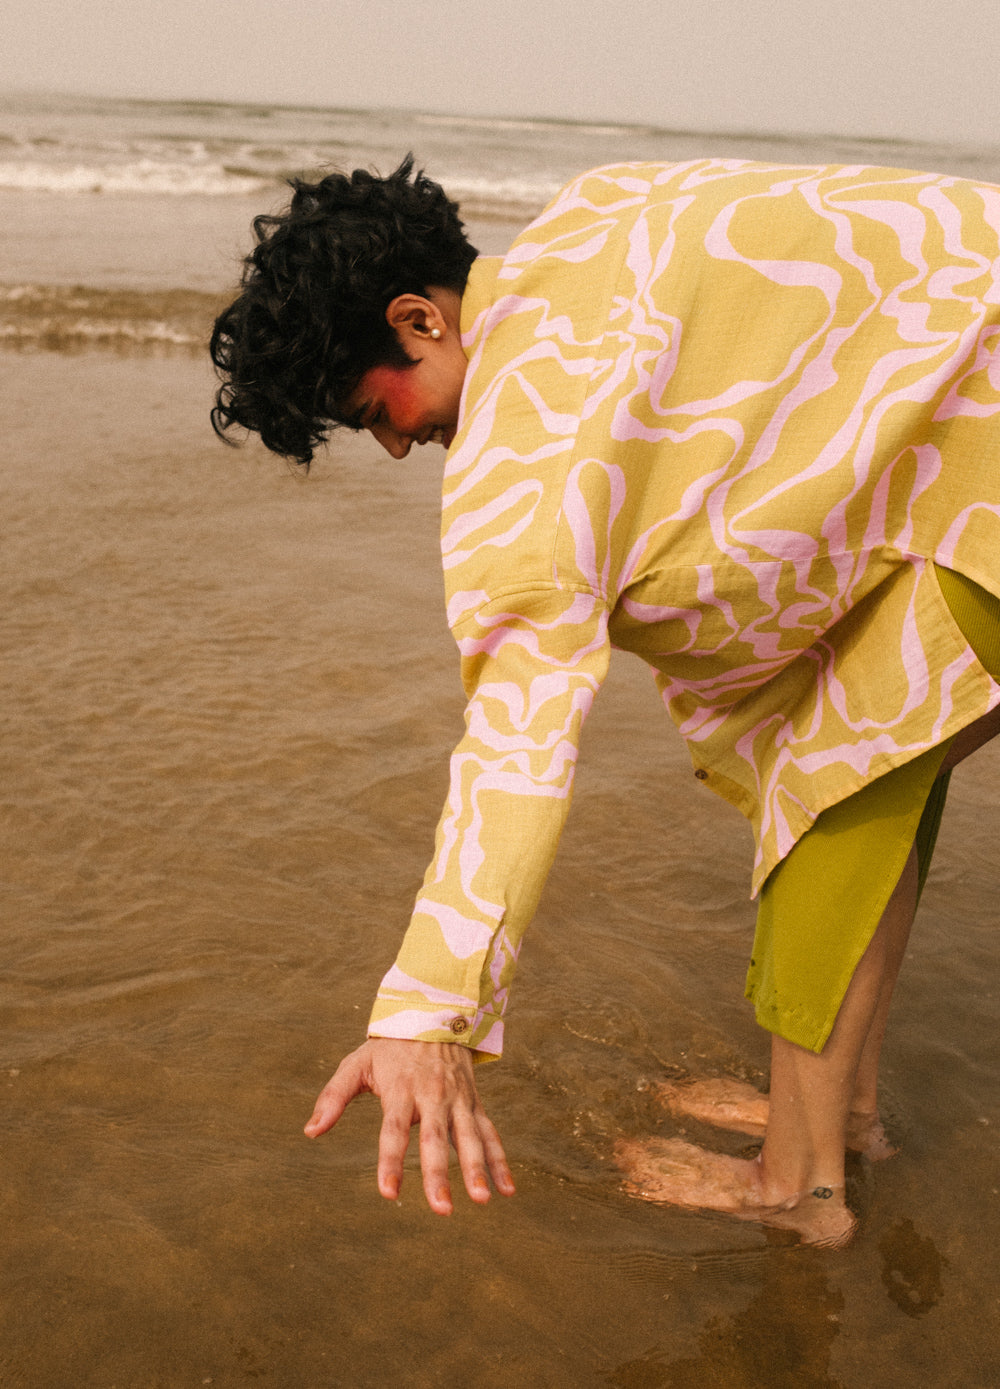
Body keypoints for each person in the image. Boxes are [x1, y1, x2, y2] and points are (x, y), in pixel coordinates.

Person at [211, 155, 1000, 1245]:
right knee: (866, 754)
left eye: (370, 409)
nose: (396, 445)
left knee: (827, 792)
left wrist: (425, 1016)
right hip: (958, 461)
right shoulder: (597, 211)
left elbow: (515, 750)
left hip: (983, 477)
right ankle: (840, 1116)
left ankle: (800, 1187)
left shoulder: (520, 458)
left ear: (418, 319)